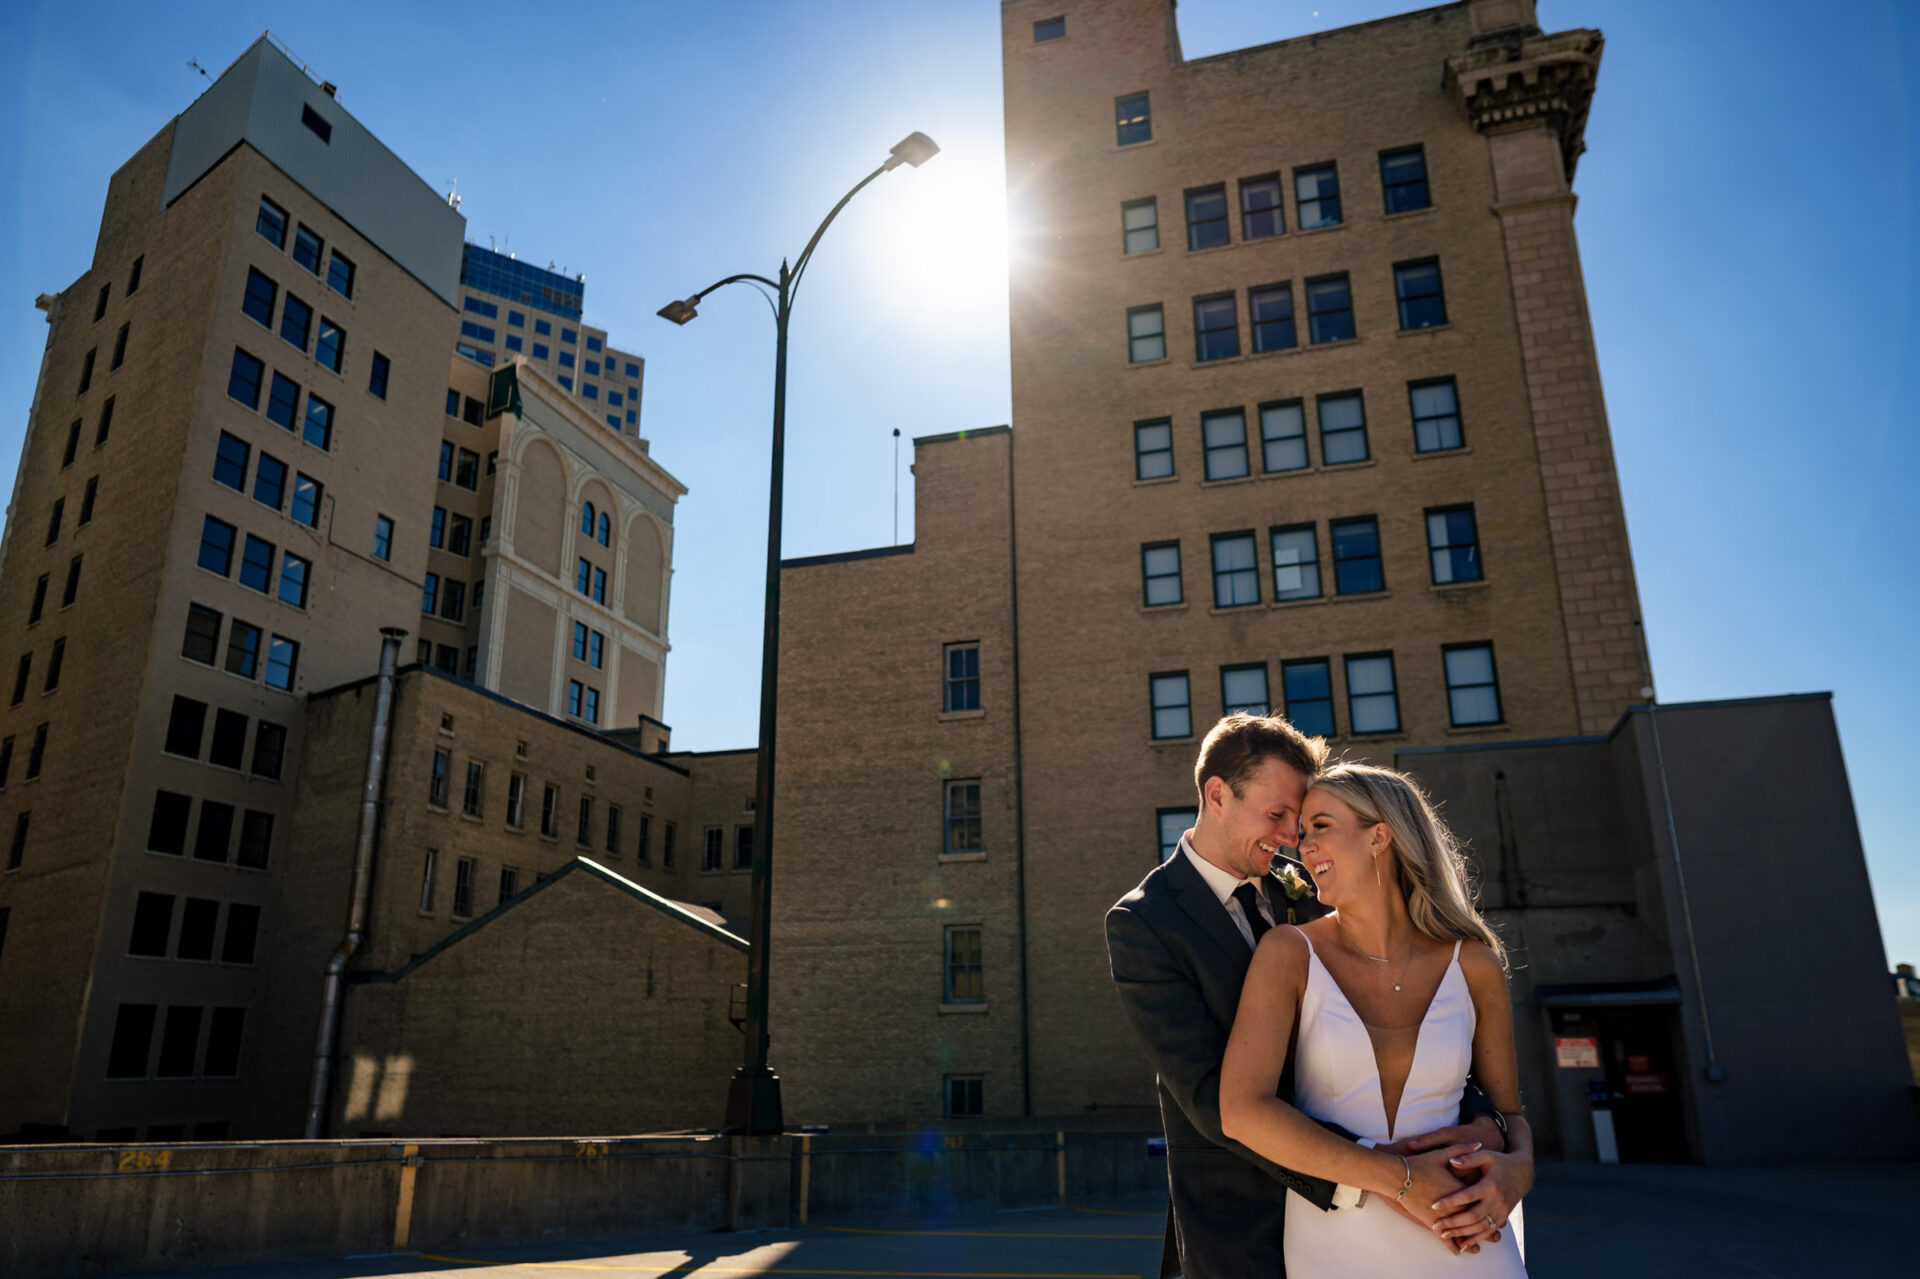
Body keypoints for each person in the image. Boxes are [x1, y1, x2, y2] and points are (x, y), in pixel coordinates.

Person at [1106, 716, 1515, 1279]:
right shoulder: (1144, 922)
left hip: (1407, 1208)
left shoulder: (1318, 888)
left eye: (1298, 823)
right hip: (1240, 1225)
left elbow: (1413, 1033)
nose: (1289, 838)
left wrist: (1486, 1130)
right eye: (1277, 816)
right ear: (1218, 794)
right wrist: (1385, 1176)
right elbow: (1208, 1099)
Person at [1220, 762, 1533, 1276]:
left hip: (1467, 1237)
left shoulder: (1472, 961)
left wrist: (1520, 1171)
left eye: (1320, 827)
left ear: (1379, 837)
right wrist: (1403, 1178)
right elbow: (1242, 1112)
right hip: (1337, 1241)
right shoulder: (1288, 953)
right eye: (1302, 834)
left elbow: (1509, 1115)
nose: (1303, 847)